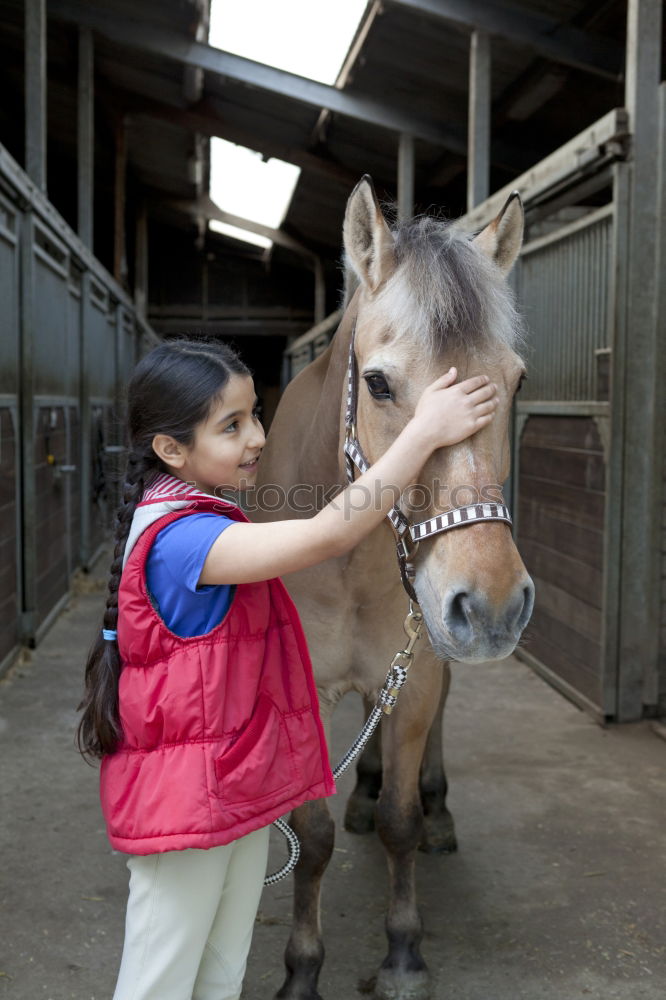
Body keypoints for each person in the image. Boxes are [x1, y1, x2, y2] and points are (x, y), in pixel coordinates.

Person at [77, 337, 499, 1000]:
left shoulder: (207, 512)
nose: (257, 439)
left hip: (232, 793)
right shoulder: (184, 538)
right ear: (170, 450)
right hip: (189, 807)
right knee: (158, 982)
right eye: (232, 425)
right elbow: (327, 533)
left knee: (221, 970)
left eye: (256, 416)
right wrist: (421, 435)